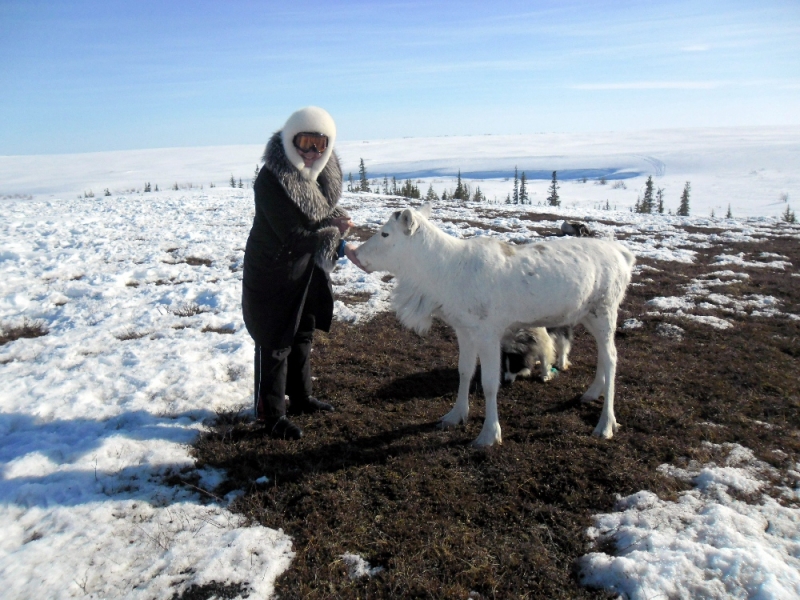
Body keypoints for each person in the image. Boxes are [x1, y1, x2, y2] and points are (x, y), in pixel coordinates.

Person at [242, 106, 362, 440]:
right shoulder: (270, 179)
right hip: (273, 267)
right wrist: (337, 238)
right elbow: (294, 234)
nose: (311, 152)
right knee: (276, 338)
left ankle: (301, 397)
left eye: (319, 144)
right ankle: (271, 415)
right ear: (290, 139)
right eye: (304, 142)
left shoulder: (322, 174)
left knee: (303, 330)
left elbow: (320, 211)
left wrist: (337, 222)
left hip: (304, 265)